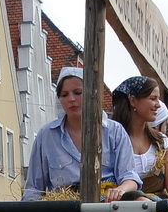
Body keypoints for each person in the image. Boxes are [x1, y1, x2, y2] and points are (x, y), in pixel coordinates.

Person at [23, 67, 139, 201]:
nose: (71, 99)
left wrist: (120, 190)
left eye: (78, 92)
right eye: (64, 95)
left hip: (107, 207)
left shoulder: (114, 131)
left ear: (91, 93)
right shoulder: (46, 135)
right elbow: (34, 189)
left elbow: (130, 177)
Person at [110, 76, 168, 212]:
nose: (158, 104)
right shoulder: (110, 139)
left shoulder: (161, 143)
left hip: (161, 210)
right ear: (133, 100)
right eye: (153, 98)